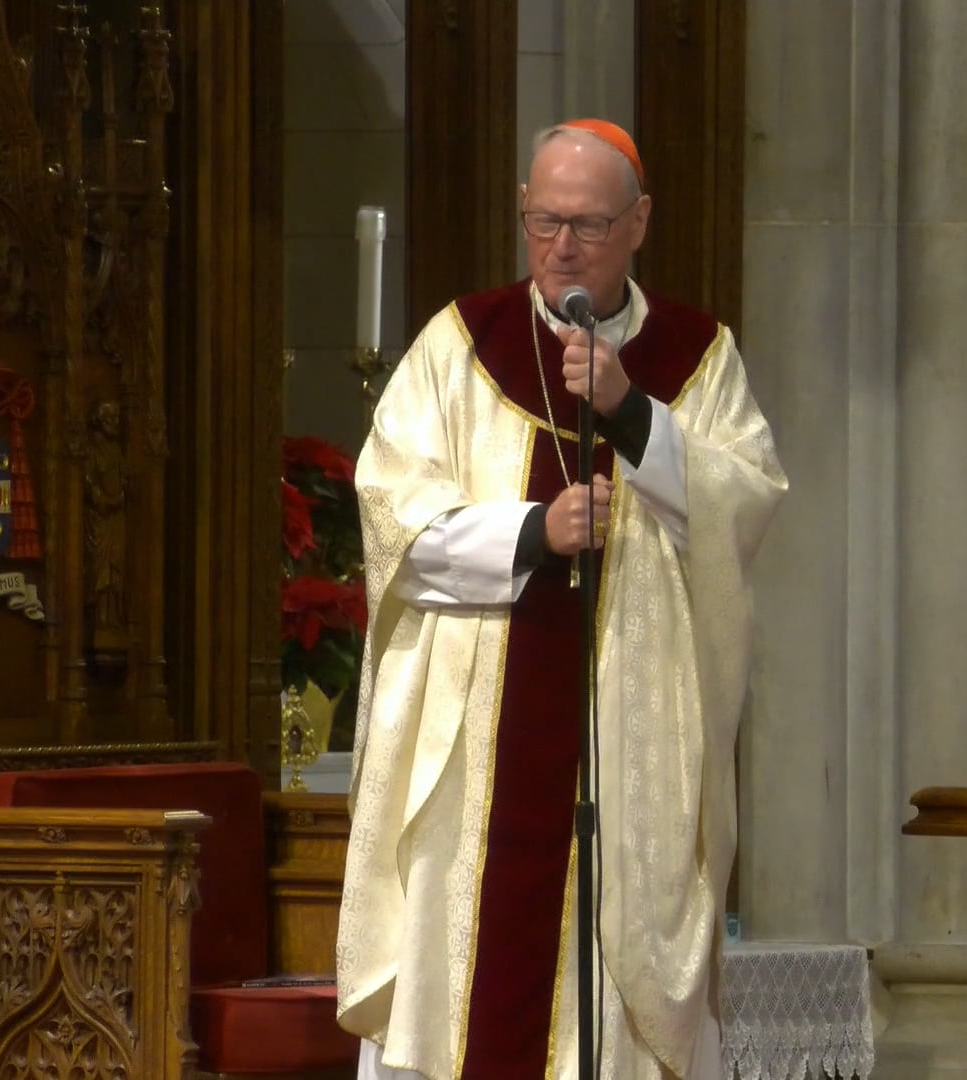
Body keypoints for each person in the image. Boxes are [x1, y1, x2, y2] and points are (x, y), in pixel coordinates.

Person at [336, 118, 787, 1079]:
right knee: (465, 986)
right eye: (543, 222)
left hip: (629, 758)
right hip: (478, 774)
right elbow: (391, 516)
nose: (562, 247)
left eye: (587, 223)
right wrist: (536, 533)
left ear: (639, 223)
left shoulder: (698, 359)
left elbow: (747, 505)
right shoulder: (461, 345)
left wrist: (630, 410)